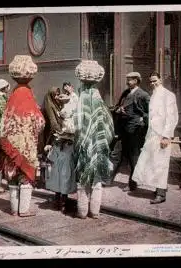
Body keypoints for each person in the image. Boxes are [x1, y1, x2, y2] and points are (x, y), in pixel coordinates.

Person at [0, 55, 45, 216]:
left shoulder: (11, 98)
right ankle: (24, 210)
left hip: (11, 146)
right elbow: (40, 122)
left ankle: (13, 209)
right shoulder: (29, 97)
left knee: (12, 177)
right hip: (26, 146)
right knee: (25, 176)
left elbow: (3, 125)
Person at [73, 60, 114, 219]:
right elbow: (109, 124)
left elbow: (76, 124)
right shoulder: (98, 98)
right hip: (99, 145)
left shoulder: (82, 97)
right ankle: (95, 212)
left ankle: (82, 212)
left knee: (83, 180)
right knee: (97, 180)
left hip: (84, 146)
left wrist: (80, 138)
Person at [132, 71, 179, 204]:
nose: (153, 83)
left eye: (155, 81)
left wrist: (166, 136)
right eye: (151, 81)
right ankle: (159, 187)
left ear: (160, 79)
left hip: (162, 134)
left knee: (161, 163)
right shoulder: (154, 95)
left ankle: (161, 194)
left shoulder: (168, 95)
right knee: (151, 162)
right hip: (153, 134)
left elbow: (171, 117)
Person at [42, 87, 77, 213]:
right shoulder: (54, 109)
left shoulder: (70, 114)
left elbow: (71, 129)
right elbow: (53, 127)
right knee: (59, 172)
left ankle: (62, 199)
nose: (58, 98)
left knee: (62, 172)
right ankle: (60, 199)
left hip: (64, 144)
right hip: (58, 144)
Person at [115, 71, 150, 192]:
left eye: (130, 79)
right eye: (127, 79)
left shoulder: (143, 95)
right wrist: (119, 109)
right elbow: (118, 106)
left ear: (136, 80)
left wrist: (142, 120)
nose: (127, 81)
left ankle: (132, 184)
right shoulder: (126, 93)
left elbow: (149, 113)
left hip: (135, 130)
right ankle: (133, 181)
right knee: (128, 157)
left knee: (134, 156)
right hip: (125, 129)